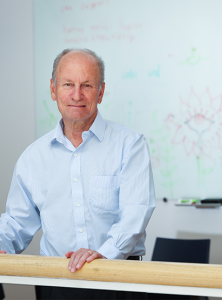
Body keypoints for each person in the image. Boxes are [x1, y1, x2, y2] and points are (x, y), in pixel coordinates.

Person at [0, 48, 156, 299]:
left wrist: (103, 253)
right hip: (55, 283)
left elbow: (136, 213)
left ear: (101, 91)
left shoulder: (130, 145)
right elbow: (17, 222)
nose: (76, 94)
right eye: (68, 84)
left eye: (87, 85)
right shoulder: (33, 156)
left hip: (118, 278)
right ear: (53, 89)